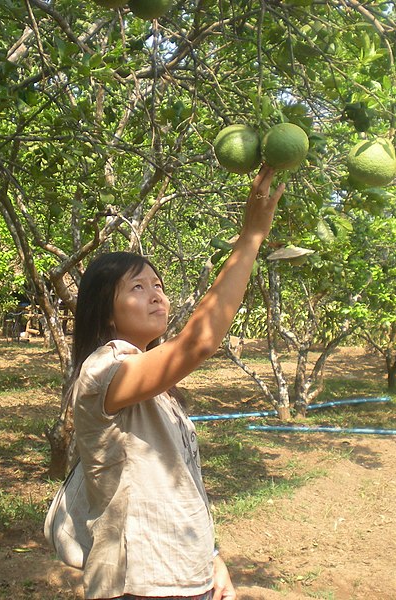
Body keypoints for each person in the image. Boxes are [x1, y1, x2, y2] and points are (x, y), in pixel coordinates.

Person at [70, 166, 285, 600]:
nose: (156, 295)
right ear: (107, 311)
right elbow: (200, 341)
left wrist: (213, 556)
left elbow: (176, 479)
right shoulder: (103, 371)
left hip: (187, 575)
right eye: (137, 286)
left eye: (159, 285)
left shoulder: (156, 386)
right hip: (140, 584)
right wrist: (251, 237)